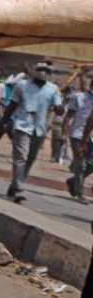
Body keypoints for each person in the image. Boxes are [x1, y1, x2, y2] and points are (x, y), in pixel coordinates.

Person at [0, 61, 63, 203]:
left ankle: (14, 185)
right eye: (40, 69)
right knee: (20, 157)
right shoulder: (22, 85)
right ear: (34, 71)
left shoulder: (53, 89)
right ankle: (20, 189)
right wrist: (2, 122)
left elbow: (58, 106)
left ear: (49, 74)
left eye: (46, 70)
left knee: (30, 159)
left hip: (40, 129)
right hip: (22, 125)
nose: (43, 72)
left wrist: (59, 108)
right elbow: (12, 105)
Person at [64, 73, 93, 203]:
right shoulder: (79, 97)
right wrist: (64, 133)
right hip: (77, 134)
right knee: (80, 165)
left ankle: (72, 181)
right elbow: (68, 116)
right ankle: (80, 193)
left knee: (91, 165)